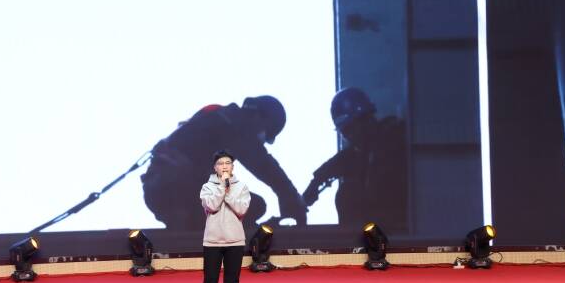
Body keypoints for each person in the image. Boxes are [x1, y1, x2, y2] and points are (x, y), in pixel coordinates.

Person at [142, 95, 307, 231]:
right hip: (177, 189)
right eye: (264, 133)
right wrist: (289, 196)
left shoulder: (219, 117)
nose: (261, 140)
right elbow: (262, 163)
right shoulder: (234, 123)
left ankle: (188, 222)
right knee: (254, 206)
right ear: (257, 116)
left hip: (159, 192)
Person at [302, 87, 408, 232]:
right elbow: (339, 162)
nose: (348, 136)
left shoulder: (392, 138)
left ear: (364, 120)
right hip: (378, 228)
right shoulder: (361, 151)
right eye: (344, 132)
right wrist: (314, 185)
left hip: (397, 224)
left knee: (348, 192)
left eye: (349, 129)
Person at [192, 150, 250, 283]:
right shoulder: (207, 187)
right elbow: (212, 205)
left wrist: (229, 192)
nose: (224, 166)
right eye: (220, 163)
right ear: (215, 168)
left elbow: (241, 209)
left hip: (235, 240)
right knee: (210, 280)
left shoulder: (242, 187)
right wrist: (221, 188)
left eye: (227, 163)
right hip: (212, 241)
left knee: (232, 280)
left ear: (233, 167)